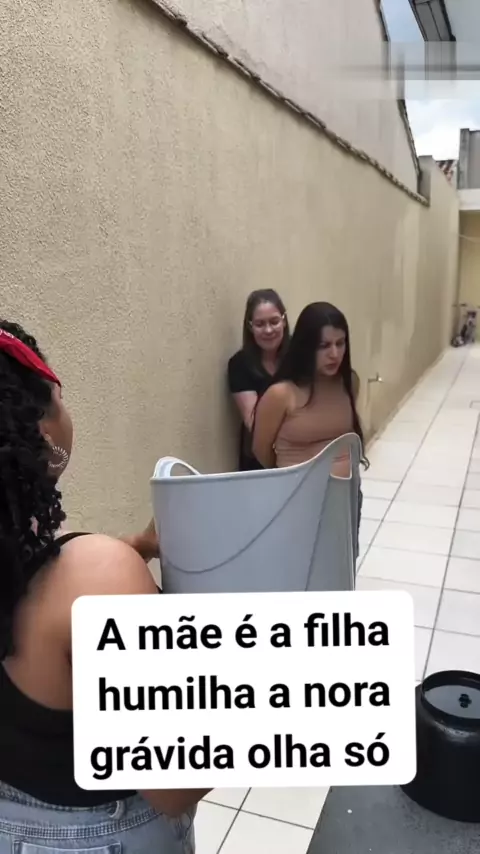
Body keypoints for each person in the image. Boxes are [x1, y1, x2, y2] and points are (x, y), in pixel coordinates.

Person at [0, 320, 209, 853]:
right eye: (60, 396)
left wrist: (130, 548)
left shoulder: (39, 567)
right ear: (42, 432)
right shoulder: (98, 579)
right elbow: (176, 785)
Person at [252, 302, 366, 540]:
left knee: (343, 561)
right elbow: (261, 449)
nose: (334, 354)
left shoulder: (348, 382)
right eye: (324, 346)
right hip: (297, 502)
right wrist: (295, 473)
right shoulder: (282, 394)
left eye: (340, 343)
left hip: (345, 497)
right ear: (306, 347)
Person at [227, 289, 290, 470]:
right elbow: (255, 424)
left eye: (274, 321)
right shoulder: (240, 364)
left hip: (301, 454)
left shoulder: (299, 355)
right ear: (250, 327)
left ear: (284, 321)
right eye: (260, 324)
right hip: (259, 460)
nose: (268, 330)